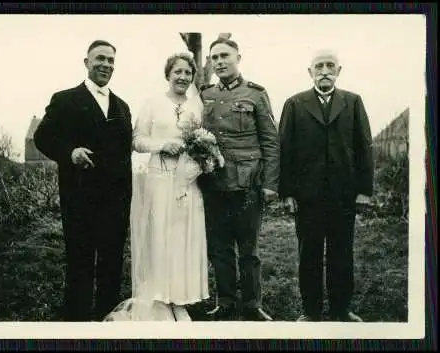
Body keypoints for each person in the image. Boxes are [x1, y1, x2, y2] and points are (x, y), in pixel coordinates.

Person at [104, 52, 210, 322]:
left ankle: (180, 298)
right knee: (161, 236)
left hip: (187, 180)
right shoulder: (153, 103)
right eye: (178, 72)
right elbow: (137, 140)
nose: (183, 77)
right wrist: (162, 144)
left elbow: (204, 141)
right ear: (168, 74)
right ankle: (160, 296)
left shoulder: (197, 105)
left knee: (183, 238)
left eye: (188, 73)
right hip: (159, 179)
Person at [33, 40, 133, 321]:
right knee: (80, 258)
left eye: (111, 60)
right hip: (80, 195)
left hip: (116, 199)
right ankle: (76, 317)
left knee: (112, 259)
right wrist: (70, 152)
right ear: (86, 62)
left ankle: (107, 315)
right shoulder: (65, 99)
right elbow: (42, 137)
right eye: (100, 58)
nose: (106, 64)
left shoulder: (122, 106)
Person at [278, 49, 374, 322]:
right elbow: (285, 149)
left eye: (330, 66)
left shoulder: (353, 102)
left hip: (343, 195)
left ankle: (342, 310)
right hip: (307, 196)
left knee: (342, 253)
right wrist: (286, 192)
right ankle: (311, 313)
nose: (324, 71)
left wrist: (364, 189)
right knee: (308, 254)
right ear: (310, 72)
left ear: (339, 71)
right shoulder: (295, 104)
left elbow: (364, 147)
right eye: (318, 66)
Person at [198, 38, 280, 321]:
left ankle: (252, 304)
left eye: (224, 56)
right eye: (214, 58)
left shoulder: (256, 94)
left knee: (249, 249)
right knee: (219, 248)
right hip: (214, 184)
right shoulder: (204, 95)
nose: (219, 62)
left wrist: (270, 183)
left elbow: (271, 141)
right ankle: (227, 302)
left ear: (238, 58)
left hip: (248, 184)